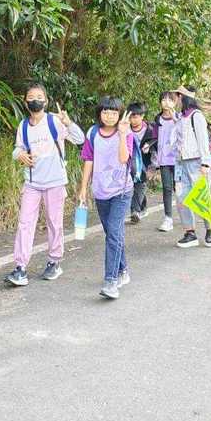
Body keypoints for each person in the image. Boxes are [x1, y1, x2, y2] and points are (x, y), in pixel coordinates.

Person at [5, 83, 84, 286]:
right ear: (25, 102)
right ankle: (20, 267)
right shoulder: (23, 126)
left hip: (55, 182)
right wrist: (20, 155)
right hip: (32, 183)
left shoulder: (54, 121)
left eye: (39, 96)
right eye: (31, 97)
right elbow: (17, 149)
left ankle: (54, 262)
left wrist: (68, 123)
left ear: (46, 101)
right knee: (24, 224)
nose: (35, 100)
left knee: (54, 222)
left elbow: (79, 139)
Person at [77, 96, 133, 299]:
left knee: (114, 234)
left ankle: (111, 282)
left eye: (114, 112)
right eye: (106, 112)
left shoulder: (125, 133)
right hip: (100, 191)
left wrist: (122, 134)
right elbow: (88, 160)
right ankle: (123, 269)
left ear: (120, 115)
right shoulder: (92, 133)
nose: (109, 116)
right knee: (112, 232)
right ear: (99, 114)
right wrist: (83, 188)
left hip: (122, 191)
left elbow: (123, 158)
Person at [172, 85, 211, 248]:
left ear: (182, 97)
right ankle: (189, 232)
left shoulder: (196, 116)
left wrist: (205, 163)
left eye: (176, 97)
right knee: (181, 198)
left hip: (197, 162)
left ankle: (210, 228)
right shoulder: (181, 117)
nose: (174, 100)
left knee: (201, 197)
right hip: (181, 163)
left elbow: (203, 140)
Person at [152, 93, 179, 232]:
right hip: (164, 160)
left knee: (179, 189)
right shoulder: (158, 119)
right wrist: (149, 146)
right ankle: (168, 218)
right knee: (167, 188)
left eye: (170, 99)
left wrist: (175, 118)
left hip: (178, 160)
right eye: (163, 99)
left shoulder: (179, 118)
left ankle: (186, 214)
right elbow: (154, 138)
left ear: (175, 102)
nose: (166, 102)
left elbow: (183, 133)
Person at [127, 102, 154, 224]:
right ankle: (142, 207)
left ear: (142, 116)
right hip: (129, 162)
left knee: (140, 183)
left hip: (145, 163)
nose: (133, 119)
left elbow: (157, 147)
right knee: (137, 185)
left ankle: (135, 211)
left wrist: (152, 167)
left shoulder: (151, 130)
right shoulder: (125, 129)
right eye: (131, 116)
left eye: (136, 116)